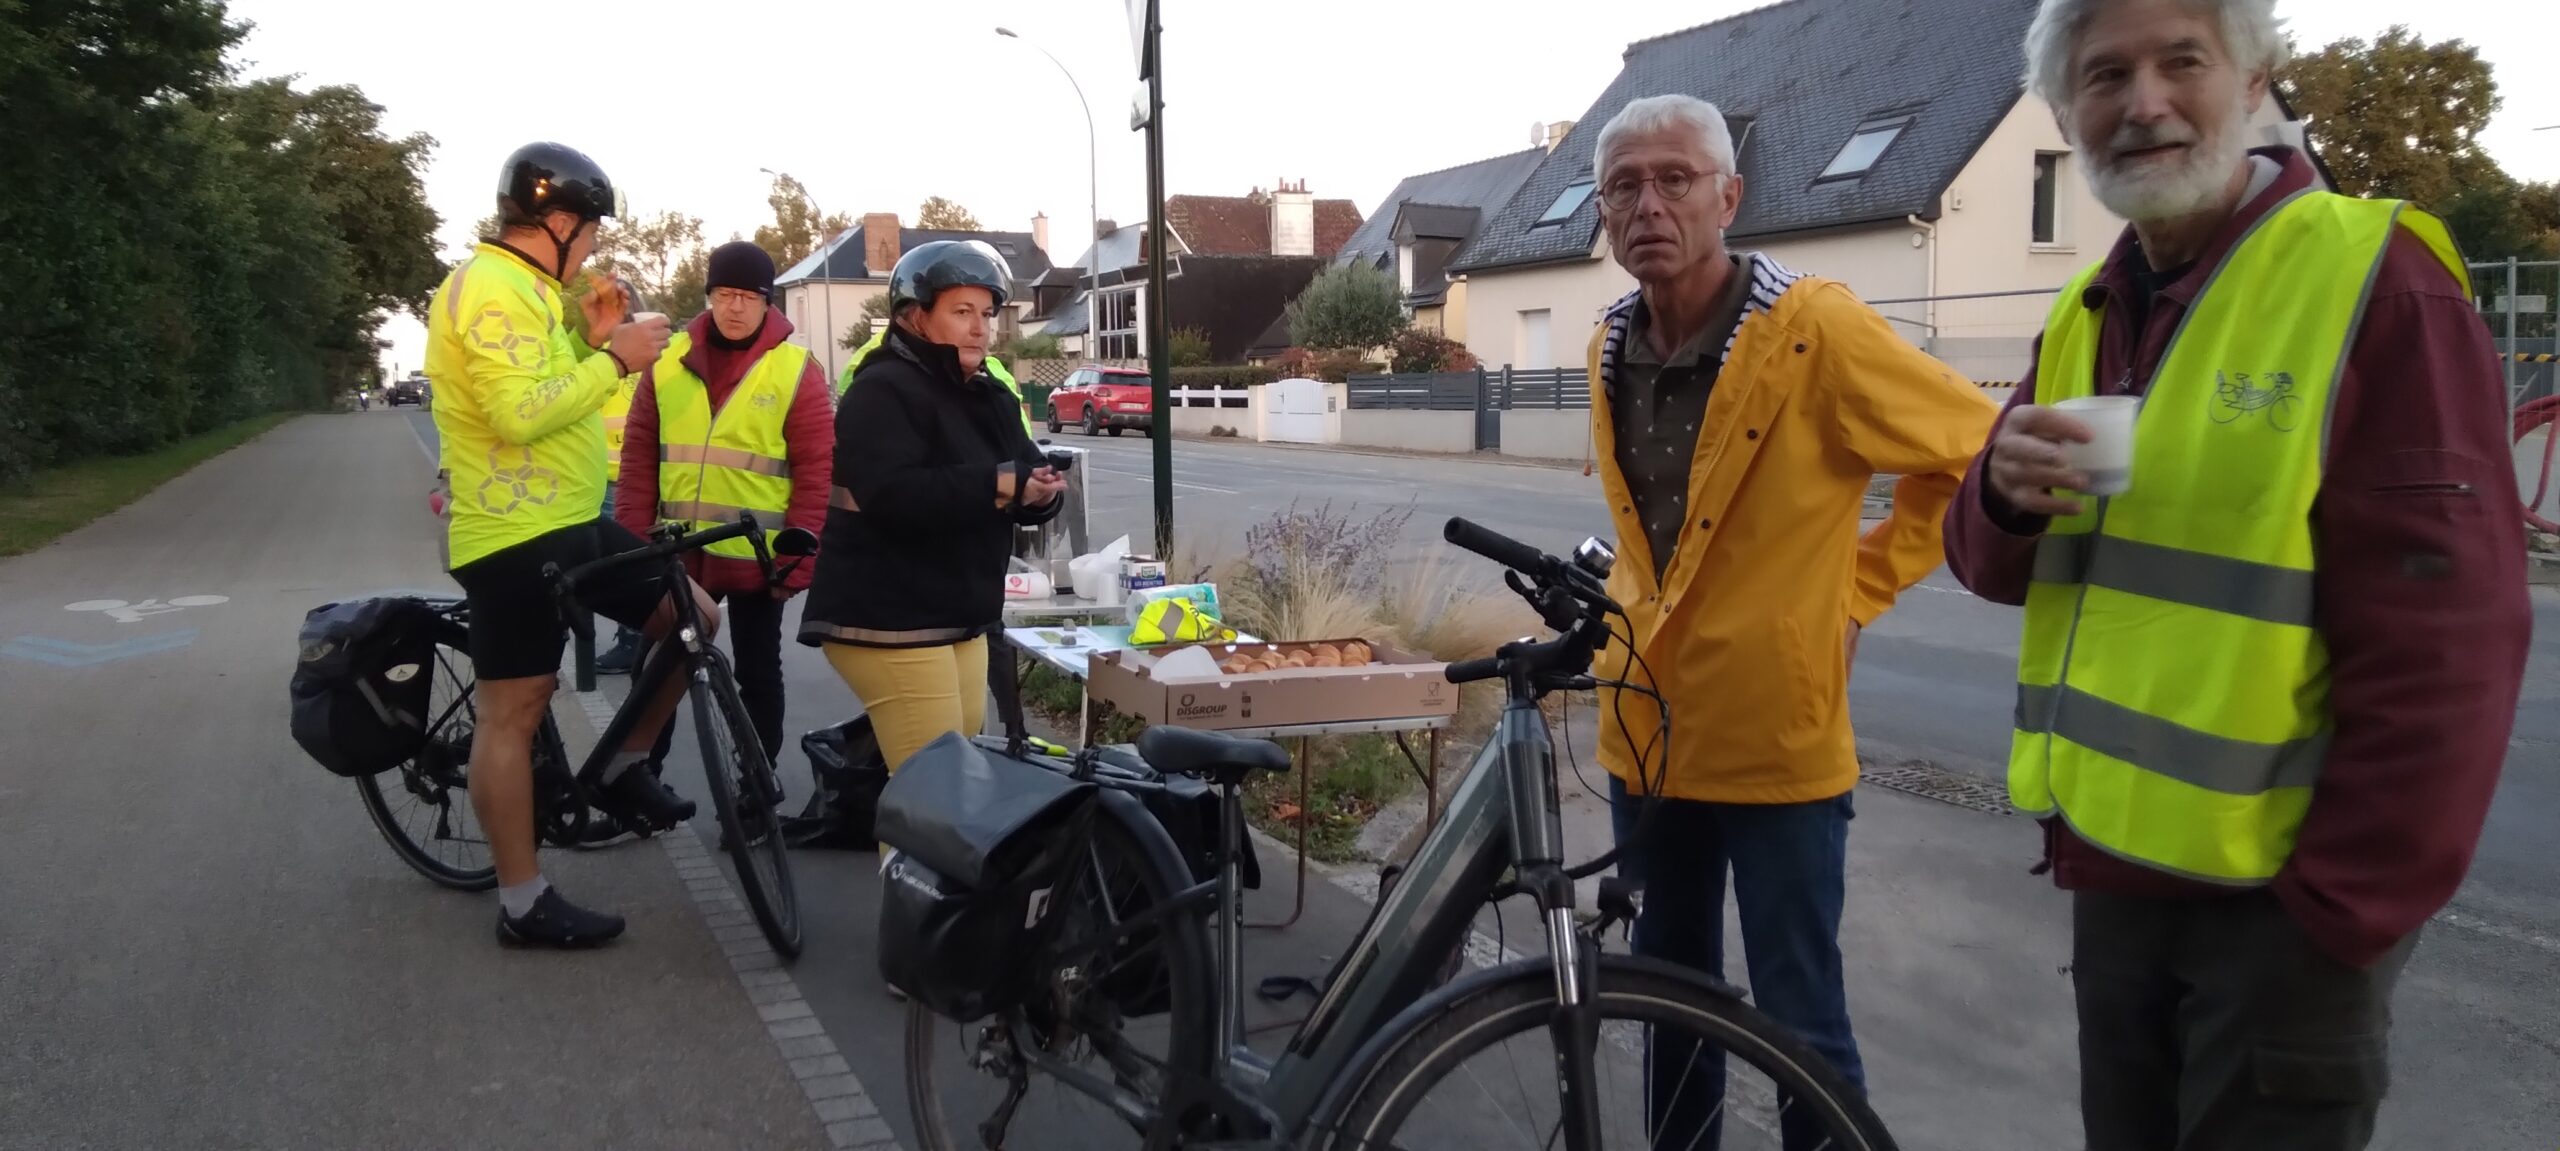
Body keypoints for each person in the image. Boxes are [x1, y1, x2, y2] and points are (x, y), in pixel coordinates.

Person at [1944, 2, 2531, 1146]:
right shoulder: (2089, 305)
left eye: (2182, 62)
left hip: (2277, 919)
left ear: (2252, 80)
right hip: (2117, 884)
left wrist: (2336, 916)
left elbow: (2450, 644)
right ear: (2067, 114)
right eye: (2104, 75)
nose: (2145, 101)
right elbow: (1983, 560)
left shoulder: (2373, 277)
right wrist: (2004, 495)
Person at [1580, 94, 1995, 1150]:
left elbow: (1970, 450)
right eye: (1623, 184)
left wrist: (1857, 591)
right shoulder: (1606, 343)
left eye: (1674, 179)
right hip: (1647, 730)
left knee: (1797, 1019)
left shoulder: (1814, 329)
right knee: (1669, 998)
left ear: (1730, 196)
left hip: (1775, 737)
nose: (1648, 205)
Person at [426, 141, 716, 949]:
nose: (591, 249)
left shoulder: (529, 289)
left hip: (565, 516)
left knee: (695, 617)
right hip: (513, 532)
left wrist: (592, 345)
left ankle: (623, 766)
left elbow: (538, 393)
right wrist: (616, 362)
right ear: (555, 220)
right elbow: (519, 414)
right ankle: (523, 900)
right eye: (587, 232)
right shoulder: (490, 289)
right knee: (512, 712)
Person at [799, 240, 1064, 773]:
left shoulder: (988, 393)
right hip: (888, 617)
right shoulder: (881, 390)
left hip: (956, 613)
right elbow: (893, 496)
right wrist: (1002, 482)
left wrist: (1037, 494)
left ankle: (914, 856)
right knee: (934, 789)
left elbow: (1021, 473)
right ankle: (904, 859)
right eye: (961, 312)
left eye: (987, 314)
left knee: (951, 777)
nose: (979, 328)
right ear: (915, 317)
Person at [616, 241, 834, 762]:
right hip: (676, 555)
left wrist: (796, 561)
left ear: (768, 302)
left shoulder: (796, 369)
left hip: (758, 557)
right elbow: (640, 459)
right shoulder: (666, 363)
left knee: (758, 674)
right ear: (709, 296)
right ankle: (638, 781)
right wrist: (633, 543)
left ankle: (756, 790)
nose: (735, 307)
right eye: (724, 294)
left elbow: (815, 473)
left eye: (748, 296)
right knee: (654, 669)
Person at [593, 277, 646, 673]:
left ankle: (632, 642)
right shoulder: (596, 356)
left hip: (626, 480)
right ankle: (633, 640)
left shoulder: (644, 356)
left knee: (625, 566)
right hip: (603, 479)